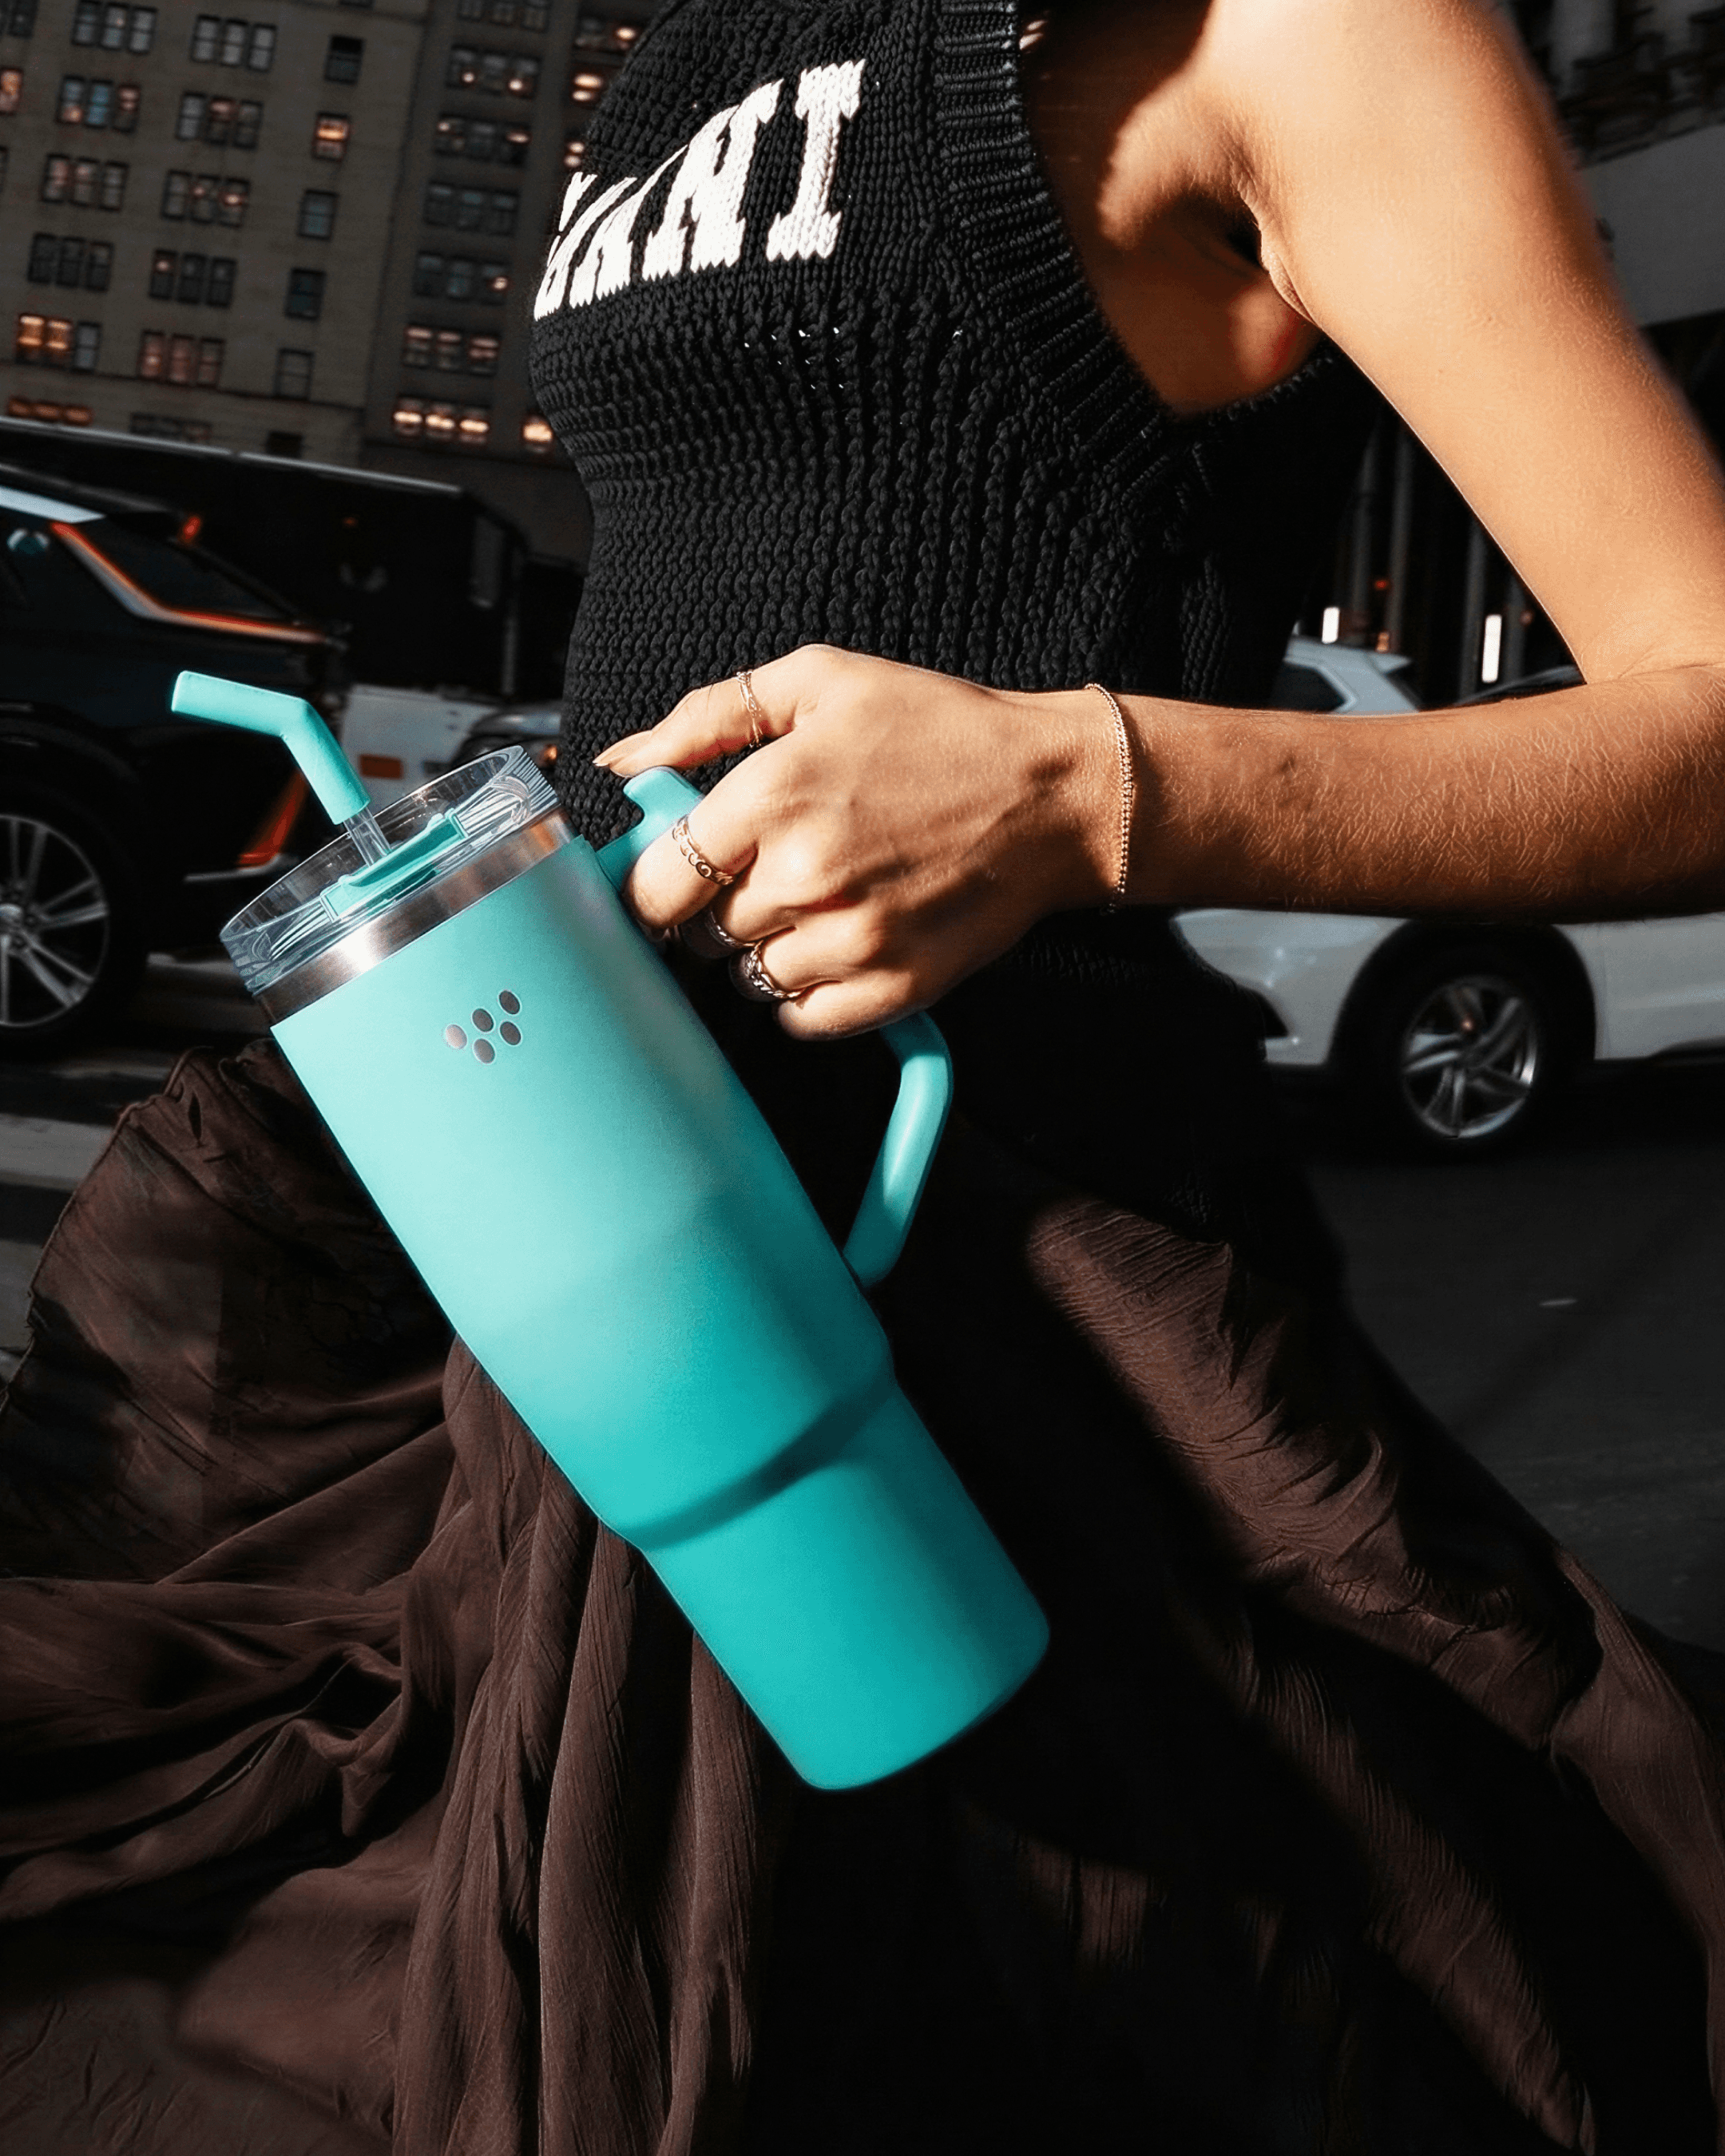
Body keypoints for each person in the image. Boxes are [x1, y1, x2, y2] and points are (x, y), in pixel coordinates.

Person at [6, 0, 1725, 2151]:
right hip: (549, 1195)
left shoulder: (1311, 31)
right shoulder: (670, 63)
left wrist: (1088, 780)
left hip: (954, 1307)